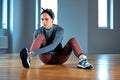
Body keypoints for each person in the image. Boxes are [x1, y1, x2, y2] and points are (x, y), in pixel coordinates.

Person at [20, 8, 93, 69]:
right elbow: (36, 46)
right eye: (42, 19)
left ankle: (83, 61)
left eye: (46, 19)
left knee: (73, 40)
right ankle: (29, 57)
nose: (44, 22)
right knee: (40, 36)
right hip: (46, 57)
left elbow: (53, 45)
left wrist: (34, 53)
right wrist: (32, 52)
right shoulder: (38, 31)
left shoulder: (59, 30)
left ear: (52, 19)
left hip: (60, 57)